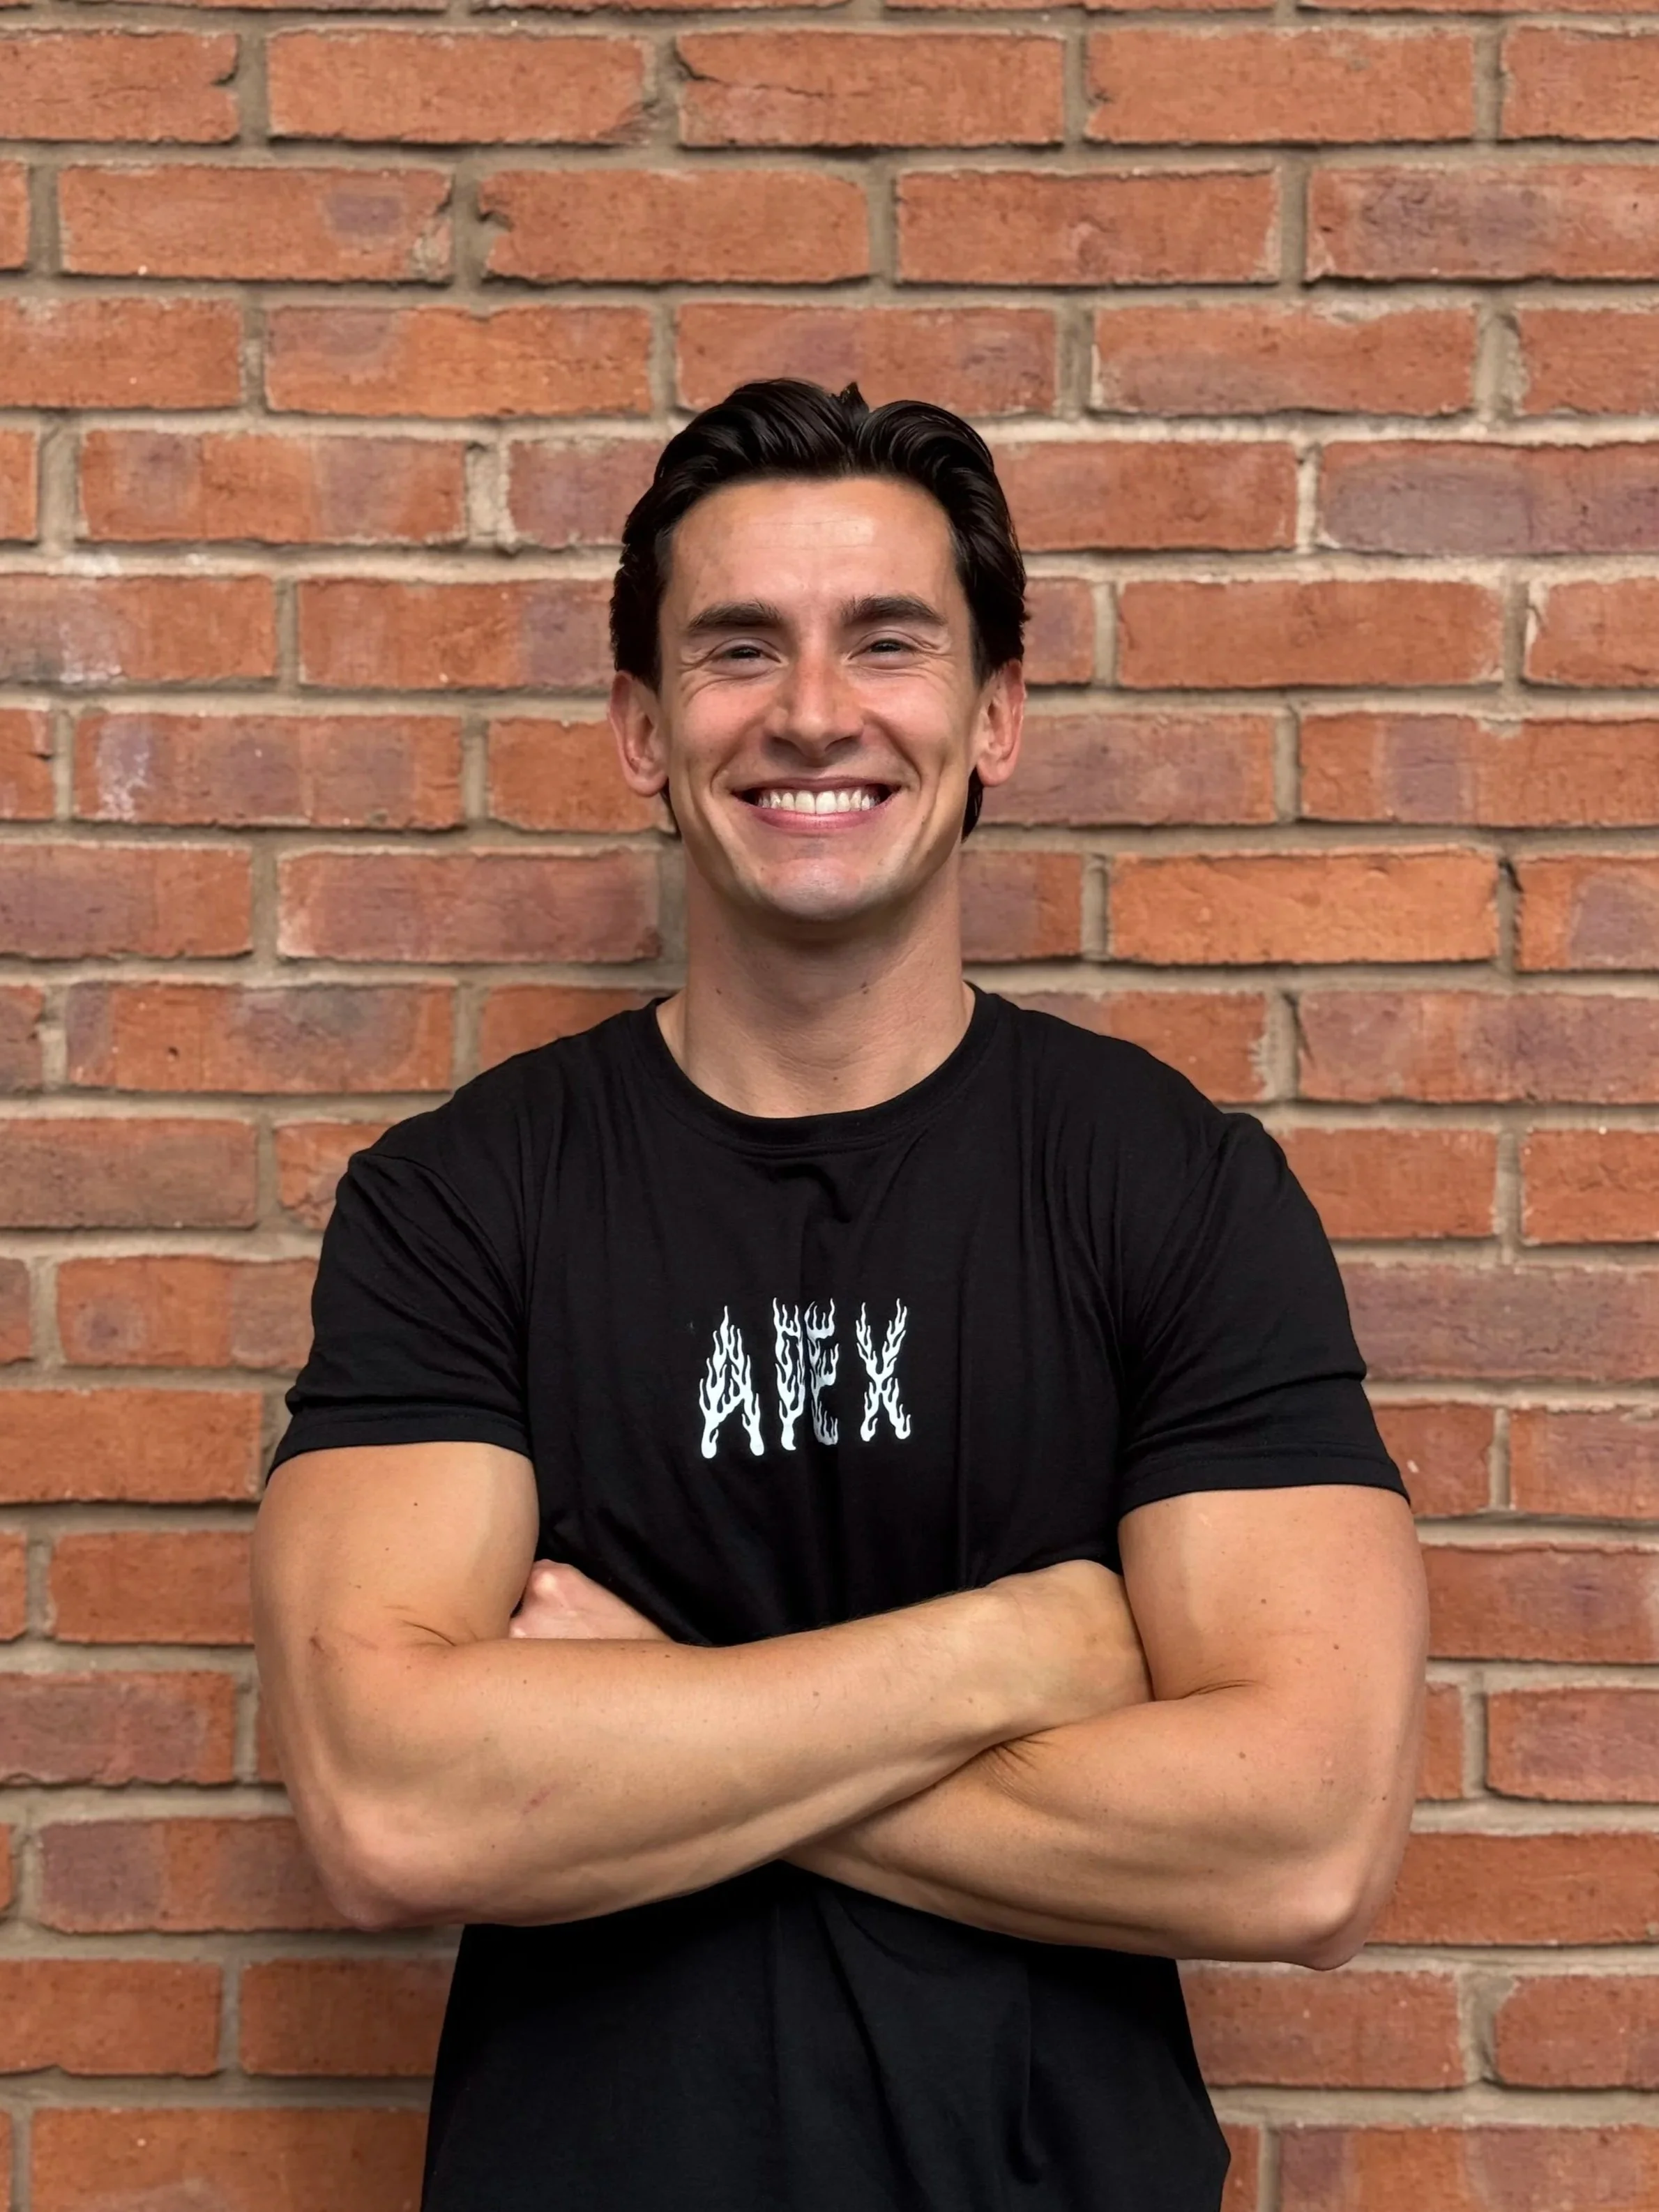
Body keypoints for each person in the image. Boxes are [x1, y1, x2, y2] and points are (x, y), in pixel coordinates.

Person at [252, 379, 1428, 2212]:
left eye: (888, 641)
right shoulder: (460, 1204)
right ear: (642, 727)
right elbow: (394, 1810)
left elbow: (1306, 1844)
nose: (813, 712)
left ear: (998, 713)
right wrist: (1015, 1649)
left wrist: (655, 1726)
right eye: (739, 648)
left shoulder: (1171, 1189)